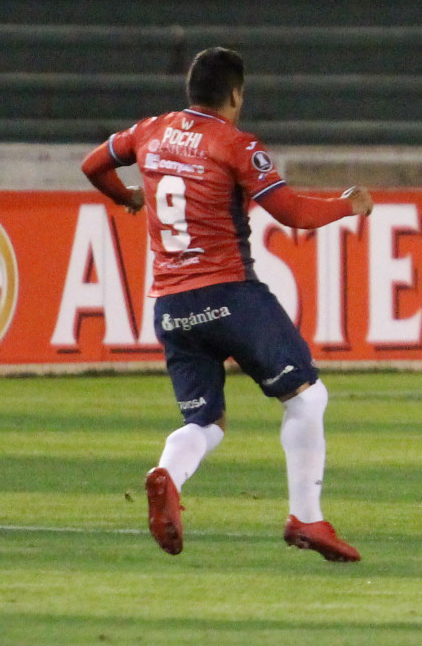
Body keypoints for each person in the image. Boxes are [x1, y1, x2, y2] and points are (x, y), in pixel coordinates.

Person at [80, 47, 374, 560]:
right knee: (306, 399)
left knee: (205, 423)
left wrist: (128, 198)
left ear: (191, 90)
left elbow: (93, 165)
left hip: (171, 305)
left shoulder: (149, 131)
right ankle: (306, 518)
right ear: (236, 94)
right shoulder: (236, 145)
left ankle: (168, 475)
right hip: (228, 294)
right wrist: (348, 205)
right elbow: (290, 211)